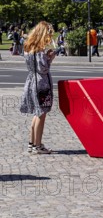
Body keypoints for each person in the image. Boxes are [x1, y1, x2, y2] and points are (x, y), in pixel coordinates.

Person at [20, 21, 56, 154]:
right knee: (42, 113)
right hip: (41, 83)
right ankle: (38, 146)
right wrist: (50, 58)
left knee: (37, 112)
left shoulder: (28, 47)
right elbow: (43, 68)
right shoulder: (40, 50)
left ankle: (32, 143)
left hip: (31, 81)